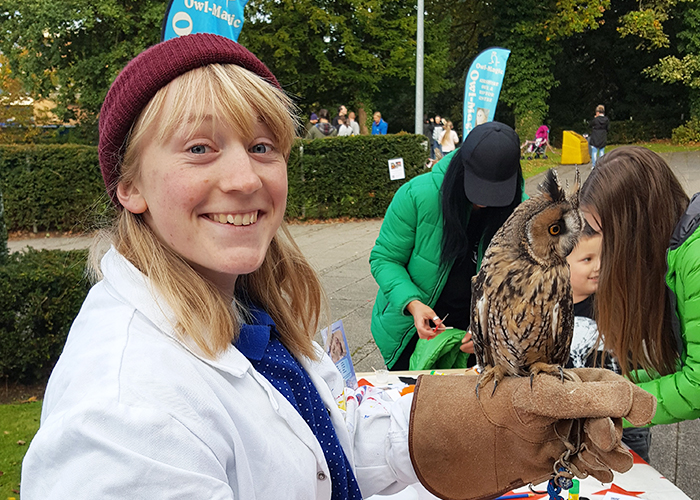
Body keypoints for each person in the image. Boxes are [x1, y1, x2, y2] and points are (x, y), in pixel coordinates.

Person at [21, 34, 655, 500]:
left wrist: (503, 421)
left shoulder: (246, 311)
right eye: (199, 148)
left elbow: (328, 434)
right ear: (129, 185)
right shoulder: (123, 417)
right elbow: (386, 257)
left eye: (263, 146)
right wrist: (413, 303)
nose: (244, 177)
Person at [370, 122, 529, 371]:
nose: (484, 202)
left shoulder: (524, 212)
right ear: (460, 167)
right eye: (477, 188)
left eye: (495, 193)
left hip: (481, 338)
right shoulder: (416, 195)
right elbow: (385, 259)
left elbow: (526, 284)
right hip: (415, 332)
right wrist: (413, 304)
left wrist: (492, 331)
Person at [580, 146, 700, 435]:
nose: (601, 247)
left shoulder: (694, 260)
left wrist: (613, 402)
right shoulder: (677, 250)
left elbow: (696, 385)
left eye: (601, 232)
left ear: (634, 225)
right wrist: (610, 386)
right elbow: (682, 366)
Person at [564, 222, 653, 461]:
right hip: (572, 419)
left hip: (625, 422)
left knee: (633, 475)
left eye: (603, 257)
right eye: (587, 260)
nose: (598, 266)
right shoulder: (551, 310)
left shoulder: (616, 301)